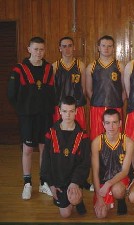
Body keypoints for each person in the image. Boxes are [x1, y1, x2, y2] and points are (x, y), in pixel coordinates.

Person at [7, 36, 55, 200]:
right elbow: (11, 95)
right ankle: (27, 183)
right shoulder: (19, 69)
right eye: (35, 49)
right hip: (27, 117)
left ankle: (44, 183)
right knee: (27, 149)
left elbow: (52, 94)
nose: (39, 52)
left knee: (44, 149)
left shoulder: (49, 68)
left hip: (45, 116)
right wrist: (23, 110)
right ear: (29, 49)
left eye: (41, 49)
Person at [41, 96, 90, 218]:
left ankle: (78, 197)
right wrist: (50, 184)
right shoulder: (50, 134)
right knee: (65, 214)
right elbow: (45, 160)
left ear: (76, 112)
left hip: (73, 180)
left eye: (71, 111)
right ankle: (73, 199)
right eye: (65, 111)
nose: (68, 115)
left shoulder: (83, 136)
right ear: (59, 111)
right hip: (58, 181)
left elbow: (84, 163)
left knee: (74, 199)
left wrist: (75, 183)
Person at [91, 109, 134, 218]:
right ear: (103, 124)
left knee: (118, 190)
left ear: (120, 123)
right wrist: (99, 197)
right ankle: (106, 198)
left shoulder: (128, 142)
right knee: (101, 215)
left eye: (115, 122)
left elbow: (125, 171)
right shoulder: (97, 142)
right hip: (102, 179)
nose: (111, 126)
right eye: (108, 123)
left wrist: (109, 184)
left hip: (120, 179)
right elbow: (95, 172)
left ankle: (121, 200)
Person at [86, 35, 125, 141]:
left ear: (113, 48)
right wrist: (97, 101)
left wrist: (118, 101)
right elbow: (88, 90)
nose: (106, 48)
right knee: (97, 138)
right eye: (103, 46)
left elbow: (124, 89)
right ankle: (97, 157)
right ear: (98, 47)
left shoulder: (120, 66)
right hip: (97, 108)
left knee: (116, 137)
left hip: (115, 107)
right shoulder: (91, 66)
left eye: (109, 46)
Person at [52, 36, 87, 130]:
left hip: (77, 106)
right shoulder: (55, 67)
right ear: (60, 48)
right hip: (60, 106)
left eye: (70, 46)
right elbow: (53, 89)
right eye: (64, 46)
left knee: (79, 132)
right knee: (60, 133)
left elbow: (83, 88)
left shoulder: (81, 66)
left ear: (74, 47)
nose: (67, 49)